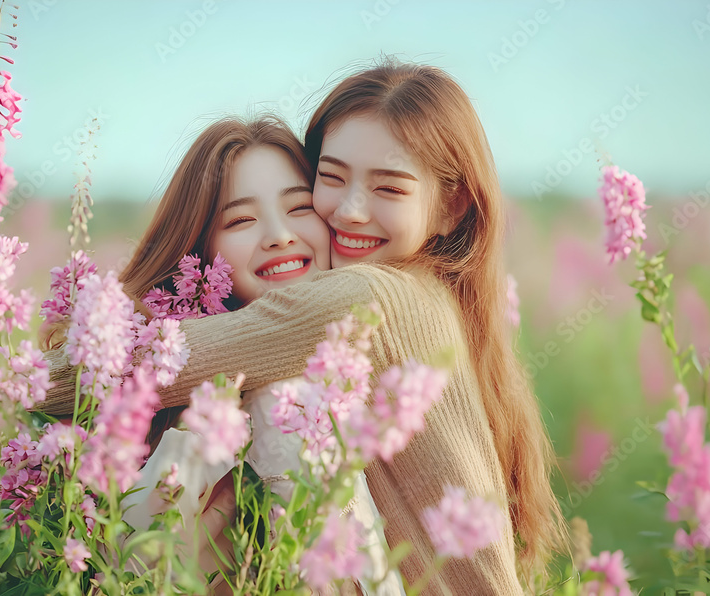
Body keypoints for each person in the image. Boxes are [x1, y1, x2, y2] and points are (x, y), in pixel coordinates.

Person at [41, 59, 565, 594]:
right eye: (331, 178)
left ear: (451, 208)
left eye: (389, 188)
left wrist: (9, 381)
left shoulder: (367, 299)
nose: (351, 211)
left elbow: (107, 370)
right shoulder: (429, 295)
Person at [42, 115, 401, 594]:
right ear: (200, 249)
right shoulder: (276, 404)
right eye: (241, 220)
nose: (278, 235)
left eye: (298, 208)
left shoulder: (353, 366)